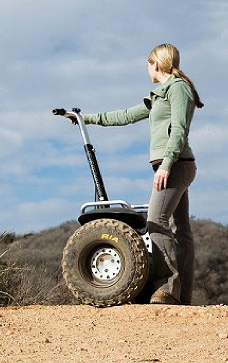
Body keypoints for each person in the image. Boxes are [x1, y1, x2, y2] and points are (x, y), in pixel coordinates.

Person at [77, 43, 204, 305]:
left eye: (148, 64)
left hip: (176, 164)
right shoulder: (160, 95)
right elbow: (125, 115)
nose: (147, 69)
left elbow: (179, 130)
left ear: (155, 64)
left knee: (156, 221)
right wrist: (85, 118)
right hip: (170, 164)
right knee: (181, 231)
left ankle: (167, 289)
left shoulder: (178, 88)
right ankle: (181, 295)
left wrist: (167, 164)